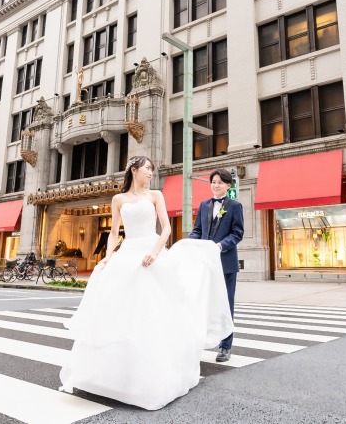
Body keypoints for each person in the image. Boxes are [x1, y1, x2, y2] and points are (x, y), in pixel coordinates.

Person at [59, 156, 233, 411]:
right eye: (147, 168)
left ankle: (152, 376)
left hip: (151, 253)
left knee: (153, 313)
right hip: (127, 253)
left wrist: (154, 251)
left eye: (152, 168)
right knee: (118, 313)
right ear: (134, 169)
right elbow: (115, 233)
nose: (151, 172)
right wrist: (108, 257)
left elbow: (166, 229)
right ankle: (110, 376)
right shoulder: (118, 199)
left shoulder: (156, 195)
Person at [189, 169, 244, 362]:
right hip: (206, 264)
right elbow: (197, 230)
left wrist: (220, 246)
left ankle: (225, 347)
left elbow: (238, 234)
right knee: (203, 303)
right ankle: (201, 342)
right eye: (213, 182)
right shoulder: (204, 205)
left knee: (226, 305)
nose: (216, 185)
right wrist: (190, 243)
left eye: (220, 182)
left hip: (226, 263)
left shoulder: (235, 206)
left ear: (228, 185)